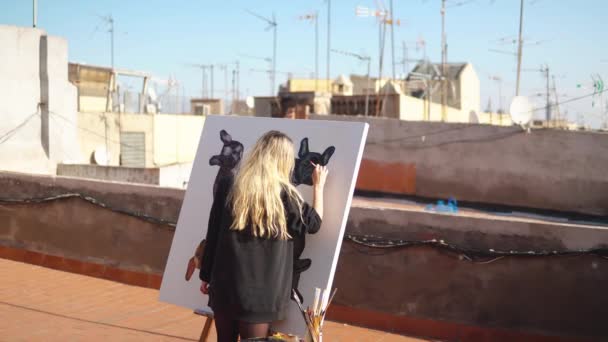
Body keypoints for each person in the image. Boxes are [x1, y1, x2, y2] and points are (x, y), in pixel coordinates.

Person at [199, 130, 328, 341]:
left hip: (224, 286)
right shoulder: (285, 194)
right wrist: (319, 186)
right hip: (261, 296)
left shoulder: (229, 183)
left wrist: (205, 275)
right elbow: (314, 224)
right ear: (285, 160)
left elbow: (212, 231)